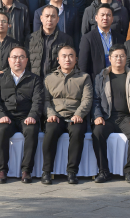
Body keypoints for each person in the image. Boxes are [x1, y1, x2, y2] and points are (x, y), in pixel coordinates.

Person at [89, 45, 130, 184]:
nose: (119, 59)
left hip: (126, 118)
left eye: (122, 56)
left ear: (126, 58)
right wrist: (97, 116)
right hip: (107, 117)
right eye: (116, 56)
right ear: (110, 58)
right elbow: (95, 100)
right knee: (97, 133)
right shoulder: (101, 77)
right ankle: (103, 171)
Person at [37, 45, 91, 184]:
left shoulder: (84, 77)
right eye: (64, 56)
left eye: (71, 56)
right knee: (50, 131)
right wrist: (50, 114)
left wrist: (79, 114)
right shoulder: (49, 78)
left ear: (76, 59)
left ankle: (72, 172)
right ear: (58, 59)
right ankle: (46, 171)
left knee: (77, 132)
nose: (68, 59)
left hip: (75, 116)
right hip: (56, 116)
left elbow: (87, 99)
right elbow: (45, 100)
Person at [0, 46, 44, 184]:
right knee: (1, 131)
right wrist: (0, 115)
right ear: (9, 60)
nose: (17, 60)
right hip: (7, 116)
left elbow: (38, 101)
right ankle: (2, 170)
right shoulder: (0, 78)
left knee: (32, 130)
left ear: (26, 60)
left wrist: (32, 116)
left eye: (21, 57)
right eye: (14, 57)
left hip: (26, 116)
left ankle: (26, 170)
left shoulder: (34, 79)